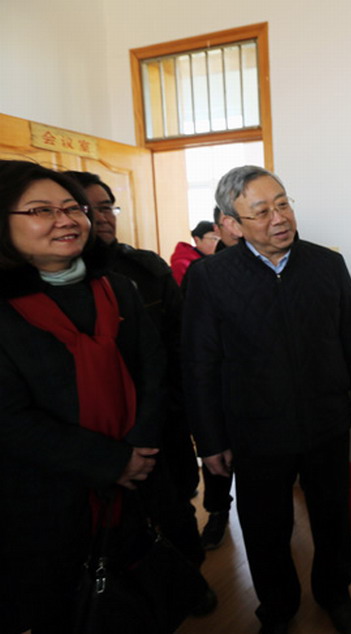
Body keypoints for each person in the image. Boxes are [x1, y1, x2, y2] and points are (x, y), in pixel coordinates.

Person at [181, 165, 351, 634]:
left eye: (283, 203)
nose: (279, 218)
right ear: (232, 224)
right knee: (266, 527)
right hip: (255, 429)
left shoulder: (326, 263)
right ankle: (277, 607)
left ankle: (335, 593)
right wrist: (210, 440)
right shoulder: (210, 277)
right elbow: (199, 364)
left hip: (325, 418)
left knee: (331, 517)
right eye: (262, 211)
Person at [0, 160, 164, 632]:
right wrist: (113, 462)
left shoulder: (117, 287)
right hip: (43, 499)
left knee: (137, 596)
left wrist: (141, 448)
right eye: (42, 210)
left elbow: (154, 371)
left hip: (138, 476)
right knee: (64, 609)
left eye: (73, 208)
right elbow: (10, 420)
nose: (66, 220)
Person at [64, 171, 213, 582]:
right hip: (91, 436)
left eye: (107, 207)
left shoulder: (143, 270)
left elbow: (180, 347)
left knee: (176, 506)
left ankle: (191, 582)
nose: (101, 217)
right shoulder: (42, 287)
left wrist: (176, 413)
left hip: (160, 420)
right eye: (86, 208)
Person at [195, 205, 239, 550]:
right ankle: (217, 512)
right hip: (221, 391)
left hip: (260, 397)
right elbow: (196, 356)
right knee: (218, 465)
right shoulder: (204, 274)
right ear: (222, 224)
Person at [170, 220, 219, 284]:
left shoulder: (214, 259)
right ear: (197, 240)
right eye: (215, 239)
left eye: (220, 239)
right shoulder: (182, 264)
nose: (219, 243)